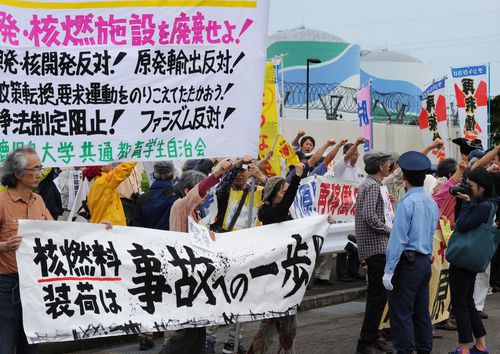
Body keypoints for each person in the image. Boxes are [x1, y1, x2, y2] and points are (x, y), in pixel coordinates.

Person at [160, 159, 233, 354]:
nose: (205, 195)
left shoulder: (195, 213)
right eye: (202, 192)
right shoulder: (180, 206)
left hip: (196, 273)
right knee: (188, 328)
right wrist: (216, 173)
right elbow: (198, 192)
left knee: (198, 324)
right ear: (187, 192)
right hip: (184, 272)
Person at [246, 163, 311, 354]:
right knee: (273, 321)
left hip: (287, 274)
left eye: (285, 191)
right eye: (282, 191)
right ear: (274, 194)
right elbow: (286, 201)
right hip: (275, 276)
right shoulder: (271, 214)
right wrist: (296, 177)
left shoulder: (280, 211)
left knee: (286, 322)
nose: (286, 194)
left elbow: (281, 195)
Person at [383, 151, 439, 354]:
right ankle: (424, 348)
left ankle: (405, 350)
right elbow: (431, 232)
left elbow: (397, 241)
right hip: (424, 260)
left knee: (401, 311)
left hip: (407, 263)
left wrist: (389, 270)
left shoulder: (406, 203)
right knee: (421, 311)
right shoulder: (431, 203)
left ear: (404, 177)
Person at [0, 147, 53, 354]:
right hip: (6, 286)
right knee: (4, 345)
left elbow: (59, 233)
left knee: (31, 345)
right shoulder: (2, 202)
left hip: (35, 285)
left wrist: (99, 229)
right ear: (17, 173)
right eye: (35, 169)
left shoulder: (38, 200)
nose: (40, 173)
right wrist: (4, 246)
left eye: (41, 168)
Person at [448, 167, 496, 354]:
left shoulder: (483, 206)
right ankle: (480, 345)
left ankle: (464, 348)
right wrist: (467, 202)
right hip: (471, 257)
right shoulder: (488, 203)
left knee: (460, 304)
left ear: (482, 188)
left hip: (463, 259)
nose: (468, 188)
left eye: (471, 185)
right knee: (468, 302)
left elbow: (461, 226)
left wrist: (467, 203)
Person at [355, 150, 394, 354]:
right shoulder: (371, 186)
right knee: (377, 297)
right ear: (380, 166)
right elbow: (369, 215)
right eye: (388, 162)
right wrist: (389, 230)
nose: (390, 165)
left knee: (379, 297)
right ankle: (365, 343)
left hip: (380, 247)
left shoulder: (376, 185)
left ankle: (371, 338)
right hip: (376, 248)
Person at [334, 137, 365, 282]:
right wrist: (357, 143)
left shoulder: (358, 170)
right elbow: (346, 157)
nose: (356, 156)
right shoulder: (341, 166)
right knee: (343, 240)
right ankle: (341, 272)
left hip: (355, 210)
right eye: (354, 153)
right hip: (342, 210)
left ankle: (353, 270)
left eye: (357, 153)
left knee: (356, 240)